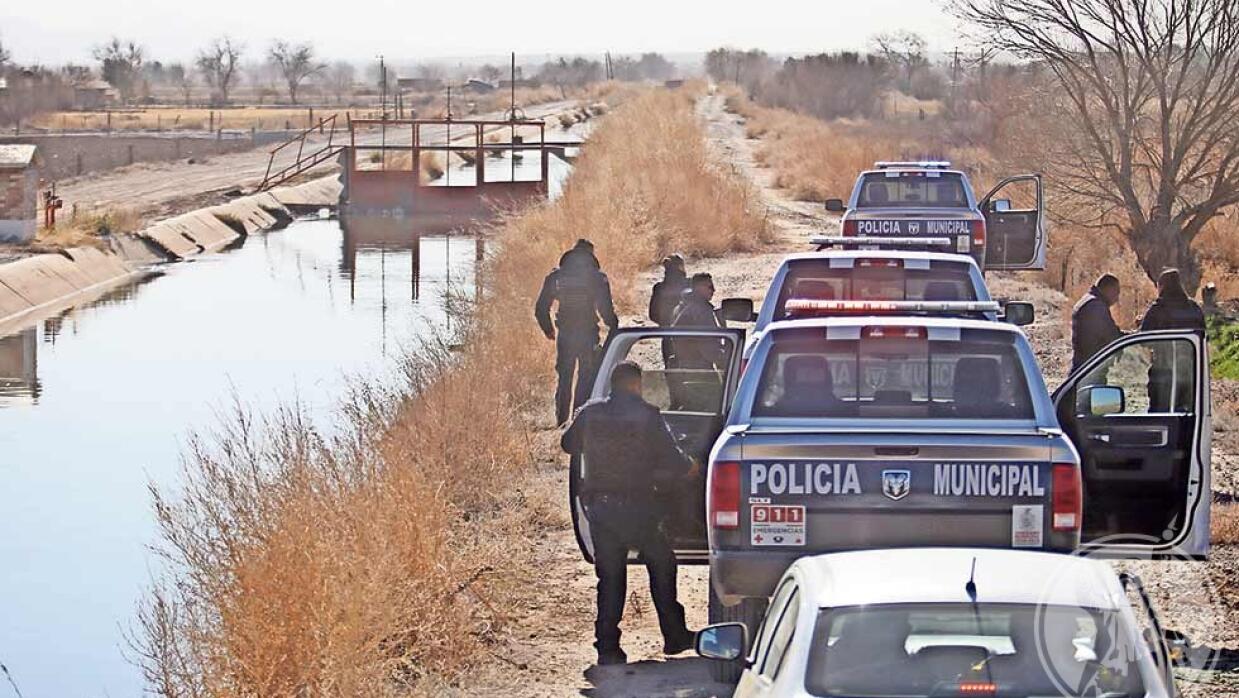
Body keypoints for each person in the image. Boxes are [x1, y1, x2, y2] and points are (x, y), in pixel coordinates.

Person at [561, 362, 697, 665]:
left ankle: (607, 648)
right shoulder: (649, 415)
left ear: (613, 384)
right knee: (662, 565)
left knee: (610, 578)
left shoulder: (590, 412)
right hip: (640, 510)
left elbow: (567, 445)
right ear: (636, 385)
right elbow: (674, 461)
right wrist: (692, 466)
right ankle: (674, 636)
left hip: (601, 510)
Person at [535, 240, 619, 425]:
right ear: (590, 255)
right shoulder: (597, 277)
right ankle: (578, 419)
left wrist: (548, 329)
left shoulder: (556, 277)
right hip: (588, 333)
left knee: (564, 375)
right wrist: (614, 326)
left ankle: (561, 420)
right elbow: (606, 308)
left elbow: (541, 307)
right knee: (586, 375)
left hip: (565, 333)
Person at [1139, 269, 1205, 412]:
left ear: (1161, 286)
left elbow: (1144, 340)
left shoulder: (1157, 309)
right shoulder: (1194, 308)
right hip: (1192, 374)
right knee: (1189, 416)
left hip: (1163, 373)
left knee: (1160, 417)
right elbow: (1203, 336)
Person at [669, 272, 727, 410]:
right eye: (709, 286)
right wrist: (727, 362)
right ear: (698, 287)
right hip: (700, 370)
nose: (713, 290)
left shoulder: (681, 308)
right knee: (717, 407)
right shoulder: (700, 310)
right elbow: (708, 346)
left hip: (683, 368)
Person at [1071, 274, 1124, 372]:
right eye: (1116, 292)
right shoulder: (1095, 306)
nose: (1117, 298)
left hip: (1085, 365)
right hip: (1090, 367)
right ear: (1108, 289)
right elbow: (1111, 335)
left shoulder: (1089, 301)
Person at [649, 254, 688, 327]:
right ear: (680, 267)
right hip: (686, 333)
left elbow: (652, 315)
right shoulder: (689, 285)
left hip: (666, 332)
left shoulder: (659, 287)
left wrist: (665, 323)